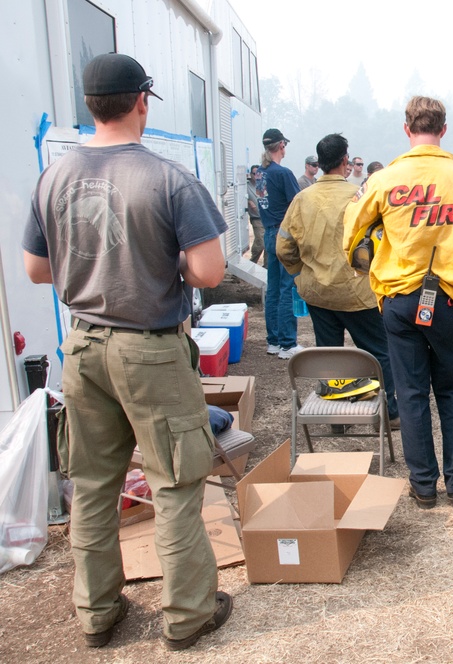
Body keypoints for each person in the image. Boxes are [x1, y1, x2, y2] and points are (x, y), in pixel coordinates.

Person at [21, 53, 231, 651]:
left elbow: (37, 269)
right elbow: (209, 271)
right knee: (173, 481)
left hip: (82, 345)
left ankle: (97, 613)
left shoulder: (54, 177)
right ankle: (188, 615)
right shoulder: (167, 179)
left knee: (90, 484)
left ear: (90, 105)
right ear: (143, 101)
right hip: (150, 352)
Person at [344, 96, 453, 509]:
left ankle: (423, 484)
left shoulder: (383, 179)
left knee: (410, 393)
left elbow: (350, 235)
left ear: (407, 129)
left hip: (397, 297)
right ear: (443, 130)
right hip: (448, 299)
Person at [277, 134, 399, 425]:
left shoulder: (301, 199)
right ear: (346, 161)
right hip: (359, 294)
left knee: (329, 353)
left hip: (319, 293)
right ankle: (391, 412)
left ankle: (336, 417)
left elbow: (283, 247)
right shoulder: (360, 197)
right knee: (379, 353)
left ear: (319, 164)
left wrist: (299, 276)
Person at [258, 127, 303, 359]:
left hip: (268, 232)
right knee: (288, 287)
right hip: (283, 233)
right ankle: (287, 343)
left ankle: (273, 340)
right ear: (281, 146)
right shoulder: (282, 173)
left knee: (273, 288)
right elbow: (298, 204)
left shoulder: (261, 173)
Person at [246, 164, 264, 265]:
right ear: (251, 174)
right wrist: (249, 201)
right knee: (261, 242)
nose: (256, 176)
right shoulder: (247, 186)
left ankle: (267, 266)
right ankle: (252, 262)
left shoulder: (263, 185)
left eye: (258, 174)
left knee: (268, 244)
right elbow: (241, 196)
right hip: (256, 217)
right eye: (254, 174)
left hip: (266, 218)